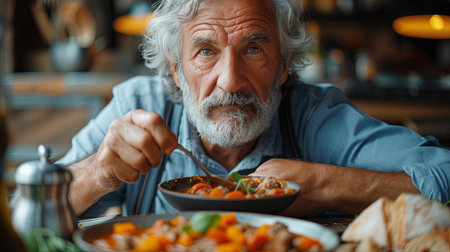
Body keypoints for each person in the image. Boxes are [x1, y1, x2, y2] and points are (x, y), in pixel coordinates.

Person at [58, 0, 449, 218]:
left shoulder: (313, 117)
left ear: (282, 67)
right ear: (176, 70)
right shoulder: (138, 108)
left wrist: (323, 184)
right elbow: (24, 222)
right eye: (206, 51)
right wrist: (98, 173)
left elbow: (443, 174)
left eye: (254, 48)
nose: (230, 80)